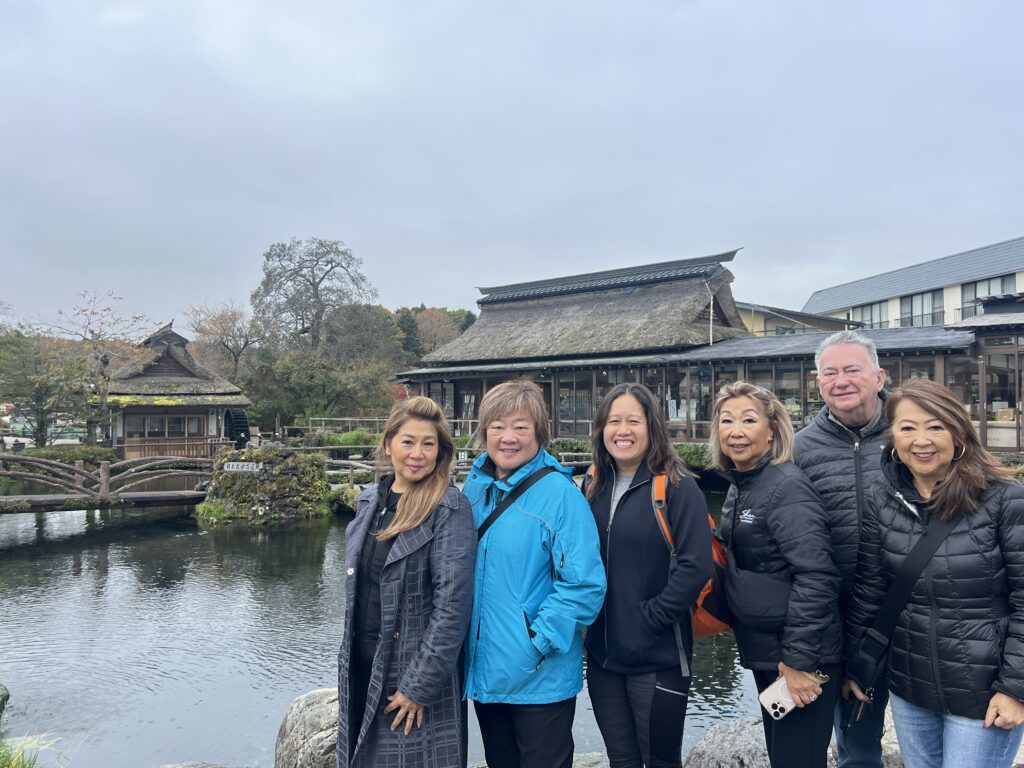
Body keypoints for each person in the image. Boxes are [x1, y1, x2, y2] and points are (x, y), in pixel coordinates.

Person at [845, 379, 1024, 768]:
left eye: (935, 426)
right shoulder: (884, 498)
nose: (921, 440)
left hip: (983, 693)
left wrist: (1016, 689)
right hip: (910, 686)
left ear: (959, 431)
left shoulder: (1004, 498)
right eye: (907, 428)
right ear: (892, 436)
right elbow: (871, 590)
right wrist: (856, 666)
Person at [463, 379, 606, 768]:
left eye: (521, 427)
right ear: (484, 432)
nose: (508, 438)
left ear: (539, 432)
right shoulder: (474, 487)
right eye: (497, 426)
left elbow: (584, 584)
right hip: (487, 670)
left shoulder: (560, 494)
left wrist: (537, 641)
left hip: (538, 673)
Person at [337, 396, 477, 768]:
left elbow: (453, 606)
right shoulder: (370, 501)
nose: (417, 453)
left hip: (411, 676)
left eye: (428, 443)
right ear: (388, 444)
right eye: (408, 441)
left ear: (440, 451)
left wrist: (420, 685)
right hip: (363, 665)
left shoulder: (448, 508)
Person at [712, 381, 843, 768]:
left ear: (772, 429)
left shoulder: (786, 486)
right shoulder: (743, 484)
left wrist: (799, 661)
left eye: (748, 420)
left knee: (797, 760)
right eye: (726, 420)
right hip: (769, 650)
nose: (736, 431)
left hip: (802, 655)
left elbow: (817, 575)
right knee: (784, 757)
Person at [584, 383, 713, 768]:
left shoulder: (676, 486)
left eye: (633, 421)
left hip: (657, 658)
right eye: (613, 421)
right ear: (601, 429)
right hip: (603, 657)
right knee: (621, 760)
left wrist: (651, 618)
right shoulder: (592, 484)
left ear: (651, 426)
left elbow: (697, 565)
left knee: (660, 762)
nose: (622, 430)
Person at [793, 329, 889, 768]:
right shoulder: (799, 448)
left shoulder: (912, 435)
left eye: (852, 369)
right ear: (818, 384)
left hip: (912, 614)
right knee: (857, 743)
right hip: (835, 618)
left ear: (879, 377)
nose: (841, 380)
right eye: (829, 373)